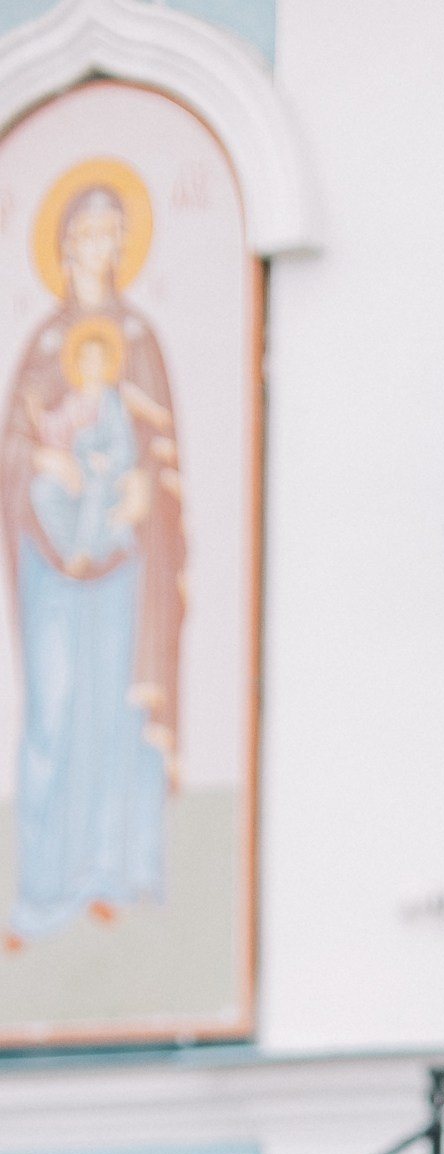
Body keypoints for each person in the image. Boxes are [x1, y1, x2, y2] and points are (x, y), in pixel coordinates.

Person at [0, 169, 184, 944]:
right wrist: (45, 472)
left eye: (114, 231)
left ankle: (112, 871)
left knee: (112, 708)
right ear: (64, 243)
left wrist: (144, 492)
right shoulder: (44, 345)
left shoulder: (139, 341)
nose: (100, 246)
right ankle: (40, 886)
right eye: (88, 231)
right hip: (49, 563)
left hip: (120, 563)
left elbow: (163, 455)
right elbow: (17, 450)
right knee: (53, 708)